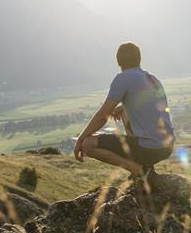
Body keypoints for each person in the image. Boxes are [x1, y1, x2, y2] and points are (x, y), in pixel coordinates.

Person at [73, 42, 175, 177]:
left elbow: (103, 115)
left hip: (149, 148)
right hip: (166, 147)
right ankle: (146, 166)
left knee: (88, 144)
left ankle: (137, 170)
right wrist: (122, 107)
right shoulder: (152, 78)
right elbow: (150, 104)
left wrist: (80, 139)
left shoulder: (123, 78)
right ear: (139, 59)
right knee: (123, 111)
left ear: (118, 61)